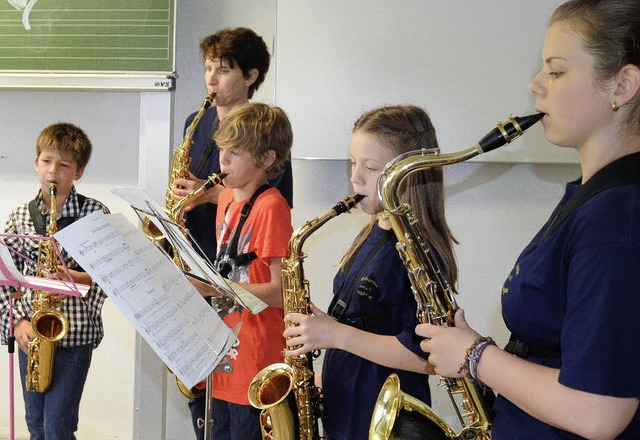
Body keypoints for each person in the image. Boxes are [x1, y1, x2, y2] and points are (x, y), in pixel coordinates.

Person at [417, 1, 640, 438]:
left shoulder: (616, 218)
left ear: (622, 85)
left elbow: (599, 413)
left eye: (556, 71)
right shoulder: (595, 197)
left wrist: (476, 357)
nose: (535, 85)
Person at [282, 105, 458, 440]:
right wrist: (322, 368)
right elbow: (360, 322)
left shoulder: (418, 251)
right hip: (348, 409)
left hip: (382, 421)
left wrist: (336, 335)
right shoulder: (374, 230)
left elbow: (429, 358)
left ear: (409, 173)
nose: (355, 177)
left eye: (371, 167)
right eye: (353, 162)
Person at [169, 27, 293, 438]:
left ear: (250, 76)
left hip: (242, 317)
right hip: (217, 301)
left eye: (222, 70)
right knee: (209, 414)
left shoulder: (266, 153)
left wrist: (211, 196)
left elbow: (271, 206)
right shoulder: (197, 122)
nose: (211, 78)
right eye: (208, 69)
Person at [189, 102, 293, 440]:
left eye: (235, 152)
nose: (223, 161)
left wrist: (215, 289)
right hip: (224, 350)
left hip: (256, 356)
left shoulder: (272, 206)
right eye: (222, 150)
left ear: (265, 159)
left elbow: (280, 291)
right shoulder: (225, 199)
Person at [0, 122, 110, 440]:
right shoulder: (20, 217)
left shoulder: (94, 214)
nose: (53, 172)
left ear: (79, 172)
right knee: (35, 424)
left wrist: (71, 277)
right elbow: (6, 282)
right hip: (31, 337)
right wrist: (17, 321)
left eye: (64, 165)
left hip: (75, 337)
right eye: (47, 161)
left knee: (57, 427)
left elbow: (110, 275)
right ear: (36, 163)